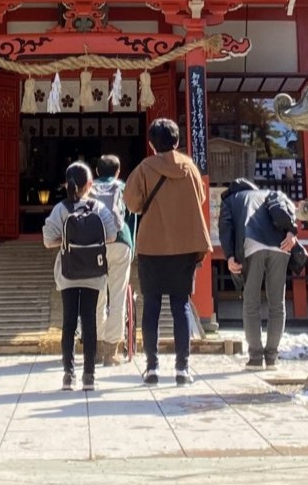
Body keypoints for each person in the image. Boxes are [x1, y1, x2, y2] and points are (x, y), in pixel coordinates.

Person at [122, 117, 212, 386]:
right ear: (176, 141)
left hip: (152, 246)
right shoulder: (189, 168)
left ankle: (152, 367)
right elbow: (202, 197)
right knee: (180, 305)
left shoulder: (144, 168)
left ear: (151, 144)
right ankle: (182, 368)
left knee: (151, 305)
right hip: (184, 245)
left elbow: (133, 203)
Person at [41, 161, 118, 392]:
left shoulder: (61, 209)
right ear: (89, 184)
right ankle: (89, 376)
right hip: (94, 272)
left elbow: (47, 241)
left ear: (68, 183)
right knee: (90, 322)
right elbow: (112, 236)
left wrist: (65, 241)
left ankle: (68, 375)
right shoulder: (98, 208)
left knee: (68, 321)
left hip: (68, 271)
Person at [218, 177, 298, 368]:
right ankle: (272, 357)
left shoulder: (230, 200)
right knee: (277, 303)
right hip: (281, 245)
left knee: (251, 302)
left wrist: (229, 256)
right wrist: (291, 233)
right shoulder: (269, 194)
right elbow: (288, 211)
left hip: (252, 244)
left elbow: (226, 228)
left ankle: (255, 357)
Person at [90, 154, 133, 365]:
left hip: (94, 244)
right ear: (118, 171)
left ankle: (96, 348)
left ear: (96, 171)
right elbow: (132, 215)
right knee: (118, 295)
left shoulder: (89, 187)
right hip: (120, 241)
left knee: (96, 296)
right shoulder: (123, 186)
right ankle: (112, 350)